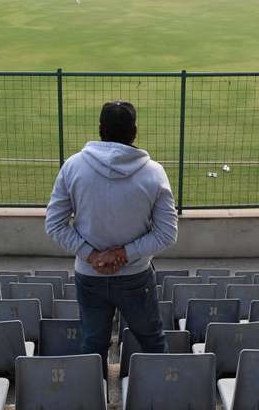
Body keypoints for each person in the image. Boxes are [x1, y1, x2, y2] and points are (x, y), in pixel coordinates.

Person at [46, 101, 178, 372]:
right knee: (152, 343)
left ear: (100, 129)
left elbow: (55, 225)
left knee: (92, 345)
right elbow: (167, 234)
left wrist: (93, 256)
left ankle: (91, 396)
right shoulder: (154, 172)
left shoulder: (73, 167)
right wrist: (123, 255)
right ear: (134, 131)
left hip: (90, 276)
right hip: (136, 276)